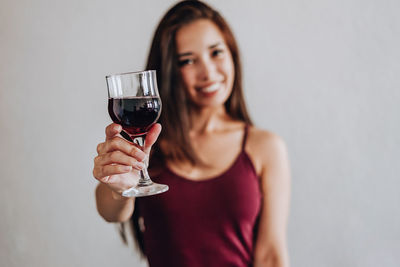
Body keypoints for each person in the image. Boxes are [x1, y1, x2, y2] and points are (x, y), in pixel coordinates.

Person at [93, 1, 291, 266]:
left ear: (232, 54)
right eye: (187, 60)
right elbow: (111, 213)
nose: (208, 72)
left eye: (216, 52)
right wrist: (119, 188)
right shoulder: (151, 143)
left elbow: (271, 255)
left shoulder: (264, 147)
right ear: (169, 71)